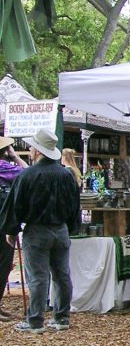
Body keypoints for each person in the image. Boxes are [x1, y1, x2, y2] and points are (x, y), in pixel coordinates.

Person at [0, 127, 81, 334]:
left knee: (38, 277)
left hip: (36, 231)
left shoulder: (27, 175)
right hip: (60, 230)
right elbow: (74, 206)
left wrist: (11, 230)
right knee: (62, 275)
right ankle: (62, 317)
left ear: (37, 151)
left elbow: (16, 205)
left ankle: (35, 320)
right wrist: (71, 227)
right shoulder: (66, 175)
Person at [0, 137, 28, 321]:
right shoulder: (4, 167)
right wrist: (15, 155)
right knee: (3, 263)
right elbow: (26, 172)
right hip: (2, 223)